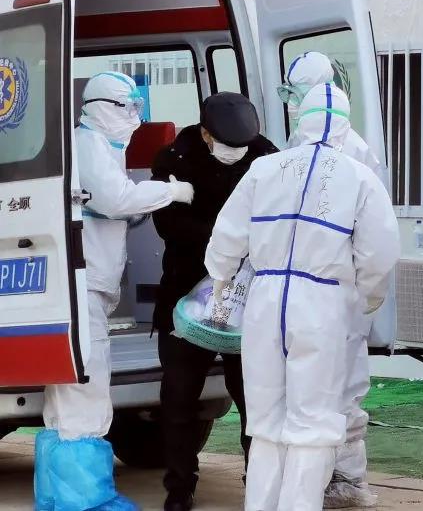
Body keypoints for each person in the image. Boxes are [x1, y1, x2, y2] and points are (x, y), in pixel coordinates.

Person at [202, 82, 400, 511]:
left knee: (266, 419)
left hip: (265, 300)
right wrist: (368, 298)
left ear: (300, 121)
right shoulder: (359, 177)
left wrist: (220, 283)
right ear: (345, 126)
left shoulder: (264, 168)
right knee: (313, 422)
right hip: (322, 303)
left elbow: (225, 237)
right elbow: (379, 253)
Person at [35, 72, 194, 511]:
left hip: (87, 283)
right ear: (103, 107)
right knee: (86, 387)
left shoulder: (98, 147)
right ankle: (86, 499)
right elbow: (117, 200)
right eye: (129, 107)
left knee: (68, 393)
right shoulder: (88, 145)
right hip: (82, 284)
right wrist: (173, 191)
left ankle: (59, 495)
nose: (136, 118)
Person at [151, 93, 278, 511]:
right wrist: (229, 241)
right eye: (226, 144)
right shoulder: (174, 159)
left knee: (254, 397)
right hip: (186, 294)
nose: (235, 151)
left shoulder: (267, 157)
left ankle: (257, 481)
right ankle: (179, 488)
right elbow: (169, 225)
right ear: (205, 134)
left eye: (242, 145)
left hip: (248, 300)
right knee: (179, 398)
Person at [279, 50, 384, 509]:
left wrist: (368, 292)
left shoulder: (356, 153)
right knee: (301, 388)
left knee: (342, 387)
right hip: (300, 289)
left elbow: (374, 235)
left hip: (339, 291)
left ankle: (346, 478)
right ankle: (312, 478)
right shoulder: (294, 145)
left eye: (297, 94)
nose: (293, 103)